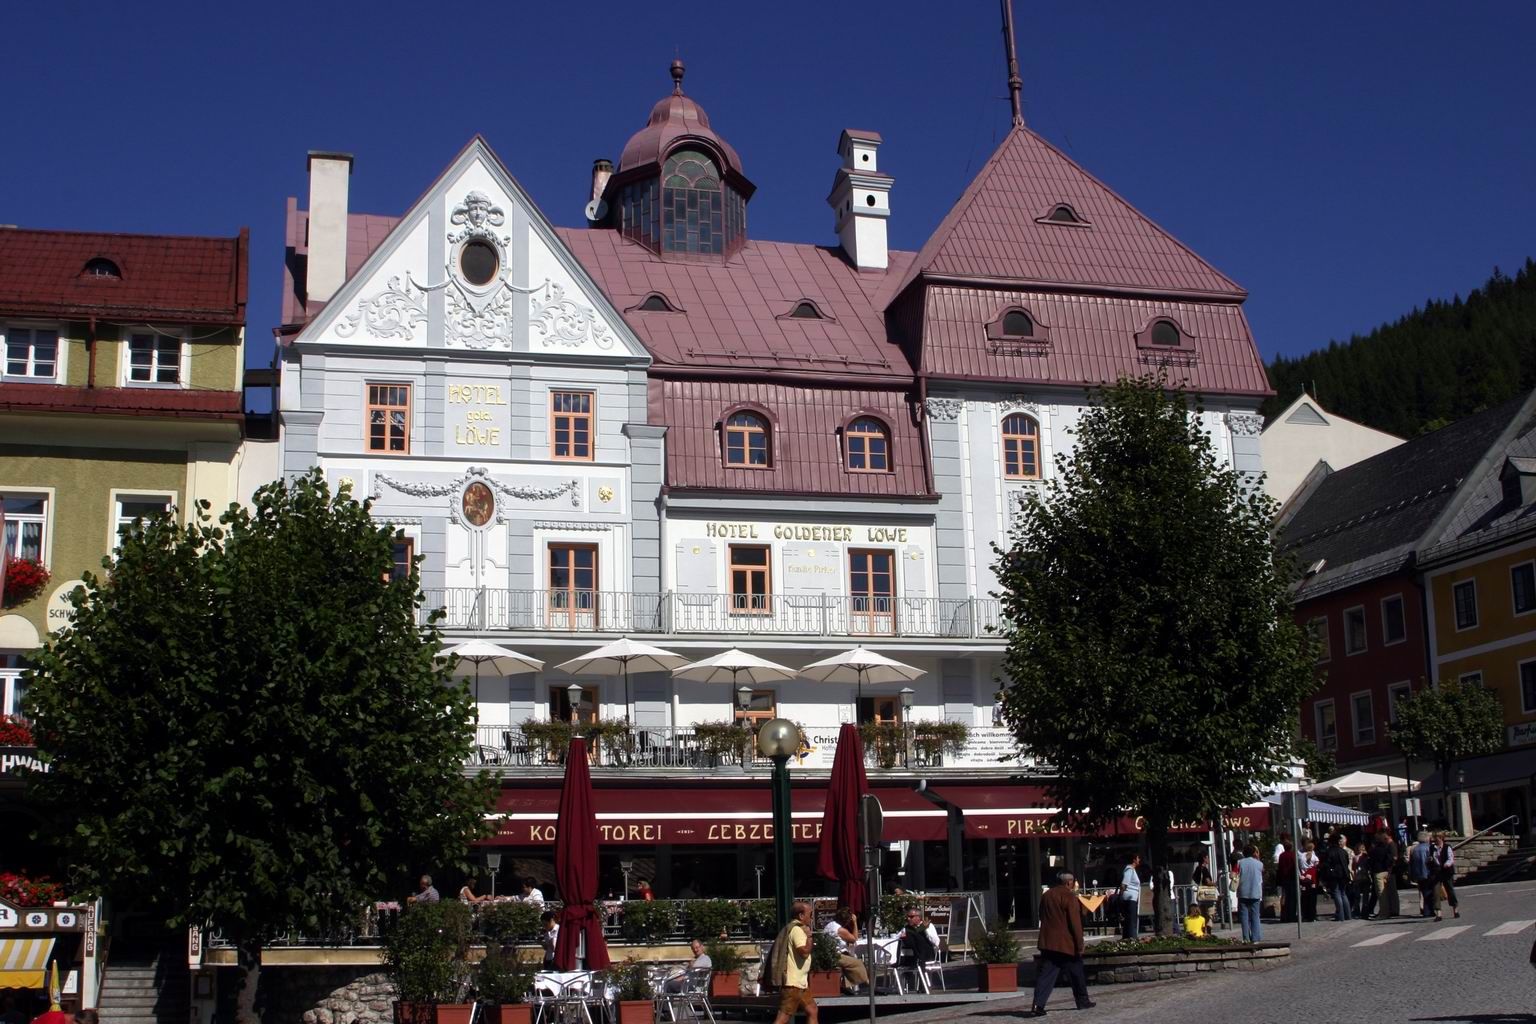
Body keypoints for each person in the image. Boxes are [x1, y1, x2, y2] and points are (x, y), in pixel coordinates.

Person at [1030, 873, 1094, 1017]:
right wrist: (1080, 943)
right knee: (1076, 972)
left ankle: (1037, 1004)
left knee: (1046, 975)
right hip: (1066, 944)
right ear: (1069, 883)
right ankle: (1082, 1000)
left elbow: (1041, 915)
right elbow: (1075, 923)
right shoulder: (1069, 897)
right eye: (1073, 881)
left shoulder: (1047, 895)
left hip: (1049, 942)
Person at [769, 901, 817, 1024]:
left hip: (800, 983)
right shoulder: (797, 930)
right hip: (793, 984)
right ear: (801, 916)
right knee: (783, 1017)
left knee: (812, 1010)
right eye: (810, 915)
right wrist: (810, 937)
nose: (811, 918)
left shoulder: (794, 928)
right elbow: (804, 952)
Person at [821, 907, 869, 993]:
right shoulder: (840, 930)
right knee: (857, 963)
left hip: (828, 953)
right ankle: (865, 983)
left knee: (850, 958)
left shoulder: (830, 925)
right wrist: (854, 922)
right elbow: (854, 939)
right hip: (835, 956)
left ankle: (846, 986)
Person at [1366, 831, 1399, 919]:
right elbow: (1391, 859)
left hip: (1378, 872)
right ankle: (1386, 911)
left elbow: (1370, 861)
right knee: (1386, 893)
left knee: (1381, 894)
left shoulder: (1374, 851)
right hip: (1386, 871)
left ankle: (1384, 913)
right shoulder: (1386, 849)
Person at [1236, 845, 1264, 943]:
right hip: (1255, 892)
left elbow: (1234, 874)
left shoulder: (1239, 863)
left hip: (1243, 892)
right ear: (1254, 853)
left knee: (1244, 916)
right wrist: (1258, 856)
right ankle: (1255, 938)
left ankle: (1246, 938)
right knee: (1255, 916)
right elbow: (1262, 873)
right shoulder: (1259, 864)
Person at [1408, 831, 1439, 920]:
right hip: (1427, 872)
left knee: (1424, 892)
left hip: (1418, 873)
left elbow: (1411, 862)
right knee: (1429, 892)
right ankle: (1428, 911)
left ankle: (1427, 910)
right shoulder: (1428, 848)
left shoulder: (1414, 849)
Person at [1323, 833, 1354, 921]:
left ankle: (1340, 915)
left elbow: (1326, 864)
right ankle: (1348, 915)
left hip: (1334, 875)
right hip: (1344, 874)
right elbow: (1347, 862)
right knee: (1343, 893)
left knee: (1337, 893)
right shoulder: (1343, 851)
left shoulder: (1329, 851)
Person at [1433, 832, 1460, 919]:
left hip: (1446, 871)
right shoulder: (1433, 848)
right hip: (1437, 872)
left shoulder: (1447, 847)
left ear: (1441, 838)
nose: (1436, 840)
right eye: (1435, 838)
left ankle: (1455, 909)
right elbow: (1432, 857)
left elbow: (1450, 858)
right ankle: (1439, 913)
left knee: (1450, 890)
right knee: (1436, 892)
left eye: (1438, 838)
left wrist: (1447, 864)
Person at [1118, 853, 1143, 940]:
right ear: (1134, 859)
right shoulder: (1129, 869)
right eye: (1138, 858)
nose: (1139, 860)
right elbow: (1124, 884)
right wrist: (1121, 897)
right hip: (1129, 898)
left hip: (1132, 898)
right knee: (1131, 920)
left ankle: (1129, 937)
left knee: (1130, 920)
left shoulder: (1133, 870)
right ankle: (1131, 938)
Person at [1298, 839, 1320, 922]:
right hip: (1312, 880)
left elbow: (1299, 866)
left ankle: (1305, 915)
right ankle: (1312, 915)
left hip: (1304, 879)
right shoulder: (1314, 857)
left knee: (1304, 898)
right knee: (1312, 899)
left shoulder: (1301, 856)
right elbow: (1317, 866)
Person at [1276, 841, 1297, 923]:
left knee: (1285, 898)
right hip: (1292, 878)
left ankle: (1284, 916)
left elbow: (1280, 867)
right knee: (1292, 898)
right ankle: (1291, 916)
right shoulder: (1293, 855)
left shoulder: (1282, 855)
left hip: (1284, 879)